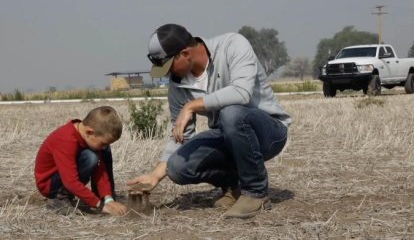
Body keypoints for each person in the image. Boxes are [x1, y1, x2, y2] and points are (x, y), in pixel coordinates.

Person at [127, 24, 291, 219]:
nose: (167, 74)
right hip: (228, 136)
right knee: (177, 167)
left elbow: (242, 92)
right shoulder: (178, 85)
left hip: (269, 132)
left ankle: (255, 192)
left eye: (168, 66)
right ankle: (234, 186)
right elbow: (181, 134)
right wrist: (155, 176)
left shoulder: (233, 45)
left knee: (231, 114)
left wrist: (192, 106)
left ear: (185, 53)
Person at [35, 106, 127, 216]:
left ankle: (103, 196)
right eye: (103, 143)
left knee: (102, 153)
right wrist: (100, 206)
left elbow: (100, 170)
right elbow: (70, 181)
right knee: (91, 157)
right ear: (89, 132)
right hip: (50, 184)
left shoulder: (87, 136)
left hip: (67, 178)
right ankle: (60, 199)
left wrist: (108, 199)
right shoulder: (66, 140)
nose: (103, 147)